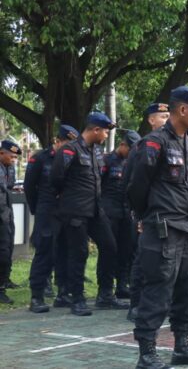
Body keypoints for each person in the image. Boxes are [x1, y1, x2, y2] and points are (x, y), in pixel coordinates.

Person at [127, 86, 188, 368]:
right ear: (182, 110)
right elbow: (136, 186)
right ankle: (147, 353)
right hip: (162, 229)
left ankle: (182, 346)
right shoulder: (154, 143)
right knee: (158, 292)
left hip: (187, 229)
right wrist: (145, 217)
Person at [51, 112, 127, 316]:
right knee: (79, 253)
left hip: (95, 209)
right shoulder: (69, 150)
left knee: (110, 246)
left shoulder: (96, 151)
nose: (105, 135)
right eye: (104, 131)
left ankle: (105, 295)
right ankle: (77, 298)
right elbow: (57, 178)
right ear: (94, 129)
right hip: (75, 211)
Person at [125, 102, 171, 322]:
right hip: (147, 214)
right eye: (162, 116)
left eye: (168, 116)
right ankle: (135, 304)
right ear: (151, 120)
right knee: (141, 259)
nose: (166, 120)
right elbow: (132, 182)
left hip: (167, 215)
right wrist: (139, 214)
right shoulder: (143, 145)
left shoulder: (173, 144)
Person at [26, 125, 78, 312]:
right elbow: (29, 187)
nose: (70, 147)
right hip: (46, 210)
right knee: (44, 251)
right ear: (57, 141)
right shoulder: (40, 158)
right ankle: (37, 296)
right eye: (67, 143)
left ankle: (63, 293)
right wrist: (37, 209)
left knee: (65, 251)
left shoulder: (73, 158)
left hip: (66, 210)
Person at [101, 130, 141, 300]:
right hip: (109, 212)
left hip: (126, 213)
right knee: (109, 250)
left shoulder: (133, 163)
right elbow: (98, 186)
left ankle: (122, 285)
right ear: (123, 145)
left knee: (127, 250)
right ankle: (105, 291)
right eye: (131, 150)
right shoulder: (107, 160)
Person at [0, 139, 21, 304]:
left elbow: (9, 187)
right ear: (1, 153)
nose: (14, 160)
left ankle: (5, 279)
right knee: (2, 251)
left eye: (15, 157)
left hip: (7, 211)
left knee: (8, 247)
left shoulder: (10, 169)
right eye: (11, 156)